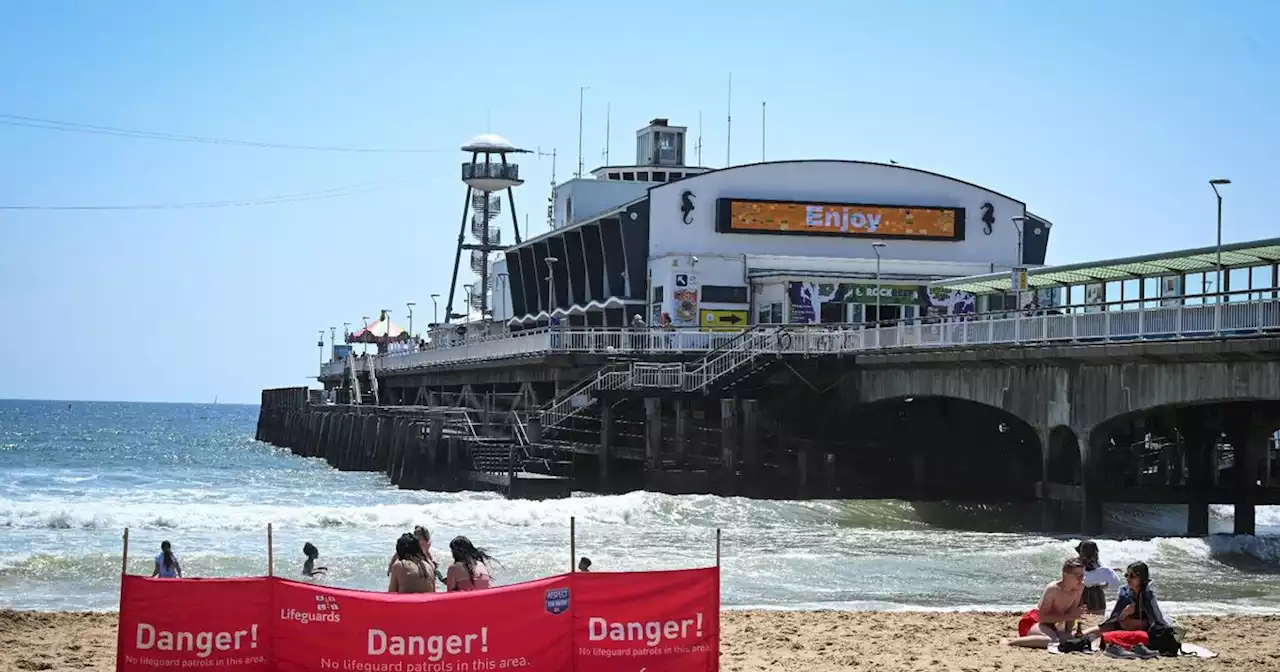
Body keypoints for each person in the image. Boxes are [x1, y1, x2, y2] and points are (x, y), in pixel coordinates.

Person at [1007, 557, 1086, 649]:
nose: (1080, 578)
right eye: (1076, 575)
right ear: (1065, 575)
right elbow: (1042, 618)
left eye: (1082, 575)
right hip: (1035, 620)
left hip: (1053, 624)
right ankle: (1010, 641)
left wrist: (1067, 633)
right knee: (1050, 641)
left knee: (1065, 639)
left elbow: (1071, 615)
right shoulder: (1053, 589)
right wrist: (1069, 616)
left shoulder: (1079, 588)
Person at [1090, 561, 1170, 635]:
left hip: (1146, 628)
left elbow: (1156, 620)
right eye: (1126, 575)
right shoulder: (1124, 592)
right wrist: (1124, 613)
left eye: (1132, 576)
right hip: (1125, 625)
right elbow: (1114, 618)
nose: (1128, 579)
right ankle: (1083, 634)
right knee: (1111, 625)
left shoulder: (1148, 594)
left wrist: (1141, 622)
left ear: (1142, 578)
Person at [1076, 540, 1121, 614]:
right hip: (1096, 596)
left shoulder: (1075, 564)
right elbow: (1115, 584)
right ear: (1096, 552)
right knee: (1096, 621)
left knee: (1080, 620)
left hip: (1078, 596)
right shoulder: (1102, 567)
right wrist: (1104, 585)